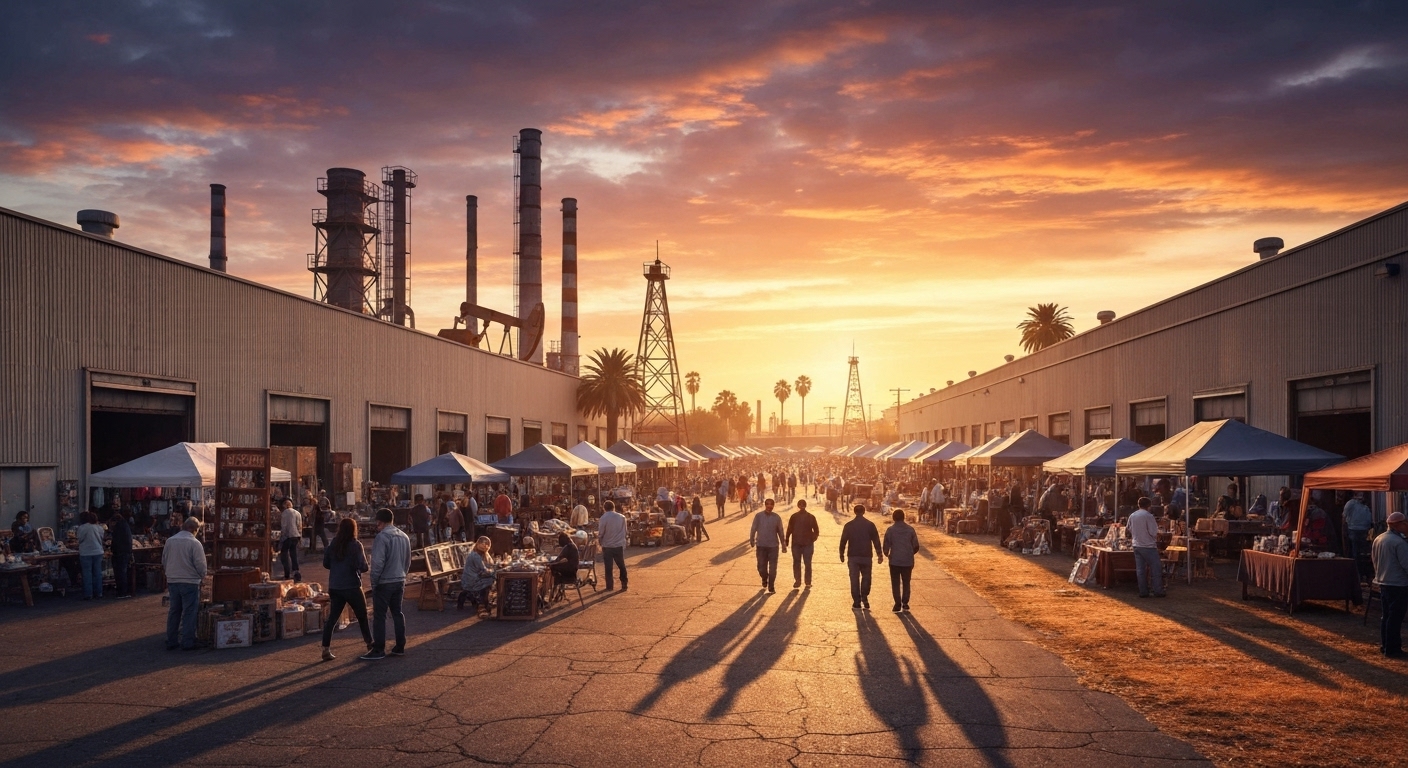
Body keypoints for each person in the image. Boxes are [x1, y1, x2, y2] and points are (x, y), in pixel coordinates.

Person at [320, 518, 372, 661]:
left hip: (335, 586)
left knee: (332, 618)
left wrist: (337, 567)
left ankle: (325, 648)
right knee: (362, 616)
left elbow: (326, 564)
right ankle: (370, 644)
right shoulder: (355, 545)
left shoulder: (333, 544)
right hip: (352, 585)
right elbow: (363, 567)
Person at [362, 508, 411, 660]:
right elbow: (408, 560)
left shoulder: (382, 537)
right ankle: (400, 645)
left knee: (380, 616)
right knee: (397, 612)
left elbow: (377, 563)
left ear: (380, 522)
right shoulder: (404, 536)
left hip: (384, 581)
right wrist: (403, 574)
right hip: (399, 579)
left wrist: (374, 582)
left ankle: (379, 649)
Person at [162, 516, 207, 650]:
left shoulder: (170, 541)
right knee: (189, 612)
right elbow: (200, 564)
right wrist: (202, 576)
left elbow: (164, 560)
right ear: (195, 529)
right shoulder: (194, 543)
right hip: (189, 581)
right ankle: (188, 641)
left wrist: (169, 574)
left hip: (173, 580)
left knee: (174, 611)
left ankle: (172, 640)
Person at [1371, 512, 1408, 658]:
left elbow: (1374, 560)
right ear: (1398, 525)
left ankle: (1385, 644)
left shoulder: (1379, 539)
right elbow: (1406, 564)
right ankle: (1393, 648)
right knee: (1395, 617)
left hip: (1383, 582)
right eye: (1404, 523)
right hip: (1398, 583)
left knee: (1386, 616)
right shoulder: (1399, 543)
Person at [839, 504, 883, 610]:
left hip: (853, 556)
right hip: (866, 556)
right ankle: (865, 597)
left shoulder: (849, 525)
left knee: (854, 579)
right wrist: (879, 554)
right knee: (866, 578)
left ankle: (856, 602)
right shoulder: (870, 525)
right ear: (864, 512)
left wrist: (841, 554)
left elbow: (843, 541)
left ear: (854, 512)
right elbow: (876, 540)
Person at [883, 509, 920, 612]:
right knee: (906, 582)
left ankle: (897, 603)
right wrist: (909, 553)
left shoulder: (890, 530)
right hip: (907, 561)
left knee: (895, 583)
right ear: (904, 517)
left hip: (894, 561)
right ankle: (905, 603)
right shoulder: (910, 530)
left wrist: (888, 555)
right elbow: (916, 546)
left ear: (893, 518)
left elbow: (886, 547)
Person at [1129, 497, 1166, 598]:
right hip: (1148, 546)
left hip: (1136, 545)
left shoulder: (1132, 515)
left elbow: (1129, 528)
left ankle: (1143, 591)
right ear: (1148, 506)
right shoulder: (1149, 516)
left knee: (1140, 570)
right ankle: (1158, 590)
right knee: (1156, 568)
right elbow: (1153, 532)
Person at [749, 498, 785, 593]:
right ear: (765, 505)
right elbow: (753, 528)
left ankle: (771, 586)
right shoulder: (758, 516)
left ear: (773, 506)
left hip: (773, 547)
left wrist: (783, 545)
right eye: (768, 504)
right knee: (761, 567)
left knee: (773, 568)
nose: (769, 506)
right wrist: (751, 539)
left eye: (771, 505)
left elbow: (781, 532)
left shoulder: (777, 517)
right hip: (761, 546)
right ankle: (764, 578)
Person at [785, 499, 819, 589]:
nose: (802, 506)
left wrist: (813, 539)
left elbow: (816, 530)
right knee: (796, 562)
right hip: (796, 543)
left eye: (803, 504)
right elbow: (789, 529)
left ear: (805, 506)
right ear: (798, 506)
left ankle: (808, 582)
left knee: (807, 563)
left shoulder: (811, 517)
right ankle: (797, 581)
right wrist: (787, 539)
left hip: (807, 544)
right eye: (800, 504)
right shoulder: (794, 517)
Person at [458, 536, 497, 615]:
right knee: (489, 581)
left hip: (475, 577)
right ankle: (483, 602)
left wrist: (493, 569)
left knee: (490, 578)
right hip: (471, 580)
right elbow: (484, 569)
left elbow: (491, 564)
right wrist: (494, 573)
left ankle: (483, 601)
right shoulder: (475, 556)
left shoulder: (481, 554)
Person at [598, 500, 628, 591]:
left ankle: (609, 586)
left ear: (604, 508)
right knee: (621, 566)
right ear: (613, 507)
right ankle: (624, 584)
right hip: (618, 545)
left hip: (607, 546)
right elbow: (625, 532)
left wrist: (600, 542)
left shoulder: (603, 518)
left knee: (608, 568)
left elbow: (601, 533)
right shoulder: (622, 517)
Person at [76, 511, 106, 600]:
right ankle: (99, 592)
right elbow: (102, 538)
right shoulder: (100, 528)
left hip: (86, 552)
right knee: (97, 572)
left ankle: (89, 594)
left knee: (87, 573)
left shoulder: (82, 528)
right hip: (98, 551)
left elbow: (80, 539)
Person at [1344, 493, 1374, 577]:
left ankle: (1359, 572)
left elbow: (1344, 516)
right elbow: (1344, 516)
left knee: (1358, 552)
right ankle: (1359, 572)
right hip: (1357, 529)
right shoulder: (1355, 504)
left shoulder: (1364, 507)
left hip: (1359, 530)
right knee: (1358, 552)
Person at [109, 509, 133, 599]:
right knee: (123, 571)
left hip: (120, 552)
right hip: (125, 551)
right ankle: (123, 590)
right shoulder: (125, 525)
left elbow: (116, 541)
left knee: (120, 572)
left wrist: (113, 549)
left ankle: (122, 591)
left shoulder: (119, 527)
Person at [278, 499, 302, 582]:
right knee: (293, 554)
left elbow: (284, 526)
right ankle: (296, 572)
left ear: (285, 505)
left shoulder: (284, 513)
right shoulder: (297, 513)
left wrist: (282, 536)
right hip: (296, 536)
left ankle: (287, 573)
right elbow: (299, 526)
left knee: (284, 554)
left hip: (287, 536)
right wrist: (300, 536)